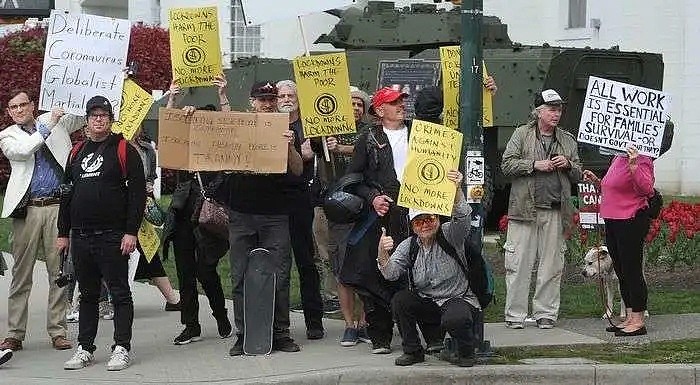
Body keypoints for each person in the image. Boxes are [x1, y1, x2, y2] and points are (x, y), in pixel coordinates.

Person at [57, 95, 146, 371]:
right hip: (81, 237)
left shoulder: (123, 150)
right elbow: (66, 194)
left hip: (113, 235)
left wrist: (130, 232)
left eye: (103, 115)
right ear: (87, 119)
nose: (99, 119)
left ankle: (121, 347)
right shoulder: (76, 152)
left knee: (119, 293)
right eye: (94, 115)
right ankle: (85, 347)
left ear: (110, 118)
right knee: (87, 295)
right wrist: (63, 232)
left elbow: (138, 194)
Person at [0, 89, 84, 352]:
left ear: (32, 105)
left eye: (23, 104)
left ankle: (58, 332)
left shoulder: (56, 119)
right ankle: (14, 333)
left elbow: (85, 113)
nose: (19, 110)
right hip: (28, 210)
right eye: (14, 107)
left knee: (58, 271)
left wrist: (114, 81)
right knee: (21, 274)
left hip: (58, 206)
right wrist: (48, 126)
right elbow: (24, 151)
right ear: (9, 112)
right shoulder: (7, 135)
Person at [226, 81, 304, 356]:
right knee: (239, 276)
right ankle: (244, 334)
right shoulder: (240, 126)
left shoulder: (285, 130)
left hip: (275, 214)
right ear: (252, 102)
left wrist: (291, 147)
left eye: (271, 99)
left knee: (280, 275)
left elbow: (297, 170)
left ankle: (281, 333)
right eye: (262, 99)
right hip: (241, 213)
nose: (268, 103)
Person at [378, 170, 479, 367]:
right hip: (428, 303)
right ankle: (413, 351)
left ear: (438, 220)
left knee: (456, 318)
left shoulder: (450, 235)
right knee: (400, 300)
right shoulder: (409, 245)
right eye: (419, 222)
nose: (425, 226)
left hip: (457, 299)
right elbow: (390, 274)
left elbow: (464, 218)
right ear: (413, 226)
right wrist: (382, 251)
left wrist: (457, 189)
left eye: (430, 220)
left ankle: (467, 352)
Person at [500, 89, 582, 330]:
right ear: (538, 112)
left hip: (556, 210)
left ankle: (545, 313)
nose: (556, 114)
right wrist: (534, 165)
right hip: (524, 210)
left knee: (552, 266)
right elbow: (506, 165)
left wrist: (567, 164)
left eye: (558, 109)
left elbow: (578, 172)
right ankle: (515, 315)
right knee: (518, 265)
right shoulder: (521, 134)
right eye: (551, 109)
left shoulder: (567, 139)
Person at [161, 76, 233, 345]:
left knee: (207, 270)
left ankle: (221, 315)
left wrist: (222, 95)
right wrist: (173, 99)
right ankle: (190, 325)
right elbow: (169, 128)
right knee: (185, 273)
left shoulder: (217, 149)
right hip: (183, 214)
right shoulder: (181, 149)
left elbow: (229, 125)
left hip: (206, 215)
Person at [583, 142, 662, 336]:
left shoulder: (643, 159)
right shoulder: (618, 157)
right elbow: (614, 187)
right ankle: (628, 316)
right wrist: (597, 182)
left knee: (632, 270)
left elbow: (646, 189)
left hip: (631, 219)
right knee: (621, 270)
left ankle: (638, 319)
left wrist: (634, 165)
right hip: (613, 219)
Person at [313, 85, 372, 346]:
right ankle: (349, 324)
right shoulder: (329, 133)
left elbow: (368, 150)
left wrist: (343, 150)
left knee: (367, 267)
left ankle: (364, 321)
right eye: (351, 104)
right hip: (338, 209)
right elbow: (314, 146)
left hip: (366, 206)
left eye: (360, 104)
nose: (356, 108)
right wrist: (326, 142)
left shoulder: (370, 132)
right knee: (342, 268)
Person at [276, 80, 325, 340]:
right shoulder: (270, 122)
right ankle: (278, 324)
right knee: (278, 265)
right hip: (273, 200)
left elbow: (314, 152)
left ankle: (314, 321)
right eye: (281, 95)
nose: (286, 99)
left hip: (301, 198)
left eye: (290, 94)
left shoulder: (309, 125)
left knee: (306, 262)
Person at [129, 127, 180, 311]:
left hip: (142, 208)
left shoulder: (147, 150)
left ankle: (172, 299)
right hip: (122, 209)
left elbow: (150, 176)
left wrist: (148, 187)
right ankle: (172, 299)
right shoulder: (115, 149)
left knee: (147, 252)